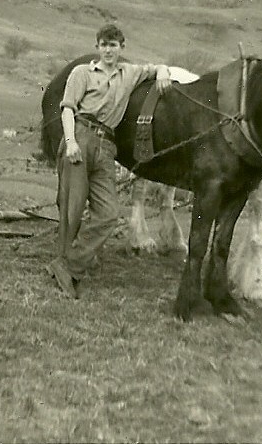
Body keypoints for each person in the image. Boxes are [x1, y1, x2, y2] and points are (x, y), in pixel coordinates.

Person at [46, 24, 172, 298]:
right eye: (103, 44)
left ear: (121, 48)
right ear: (98, 47)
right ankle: (68, 265)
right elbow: (67, 109)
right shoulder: (82, 73)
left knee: (109, 213)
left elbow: (157, 67)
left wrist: (162, 72)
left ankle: (67, 264)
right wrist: (70, 143)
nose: (108, 50)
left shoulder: (130, 73)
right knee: (73, 207)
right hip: (80, 135)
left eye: (113, 45)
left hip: (106, 147)